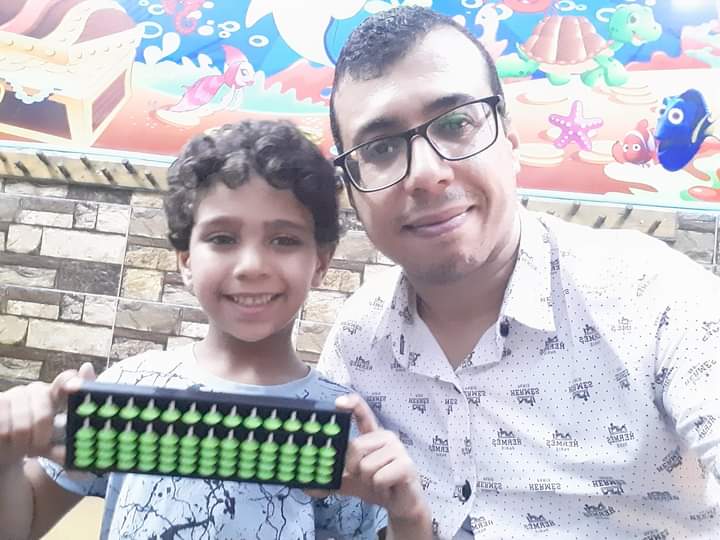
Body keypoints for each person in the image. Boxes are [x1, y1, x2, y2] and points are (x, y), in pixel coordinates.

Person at [318, 6, 720, 539]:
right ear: (351, 188)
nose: (427, 174)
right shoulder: (358, 342)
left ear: (510, 143)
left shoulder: (654, 299)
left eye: (456, 124)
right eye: (381, 148)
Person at [0, 120, 431, 539]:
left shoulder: (342, 426)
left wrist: (408, 518)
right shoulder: (131, 386)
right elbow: (23, 522)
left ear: (320, 262)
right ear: (186, 261)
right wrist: (6, 454)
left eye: (284, 240)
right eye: (222, 238)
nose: (251, 267)